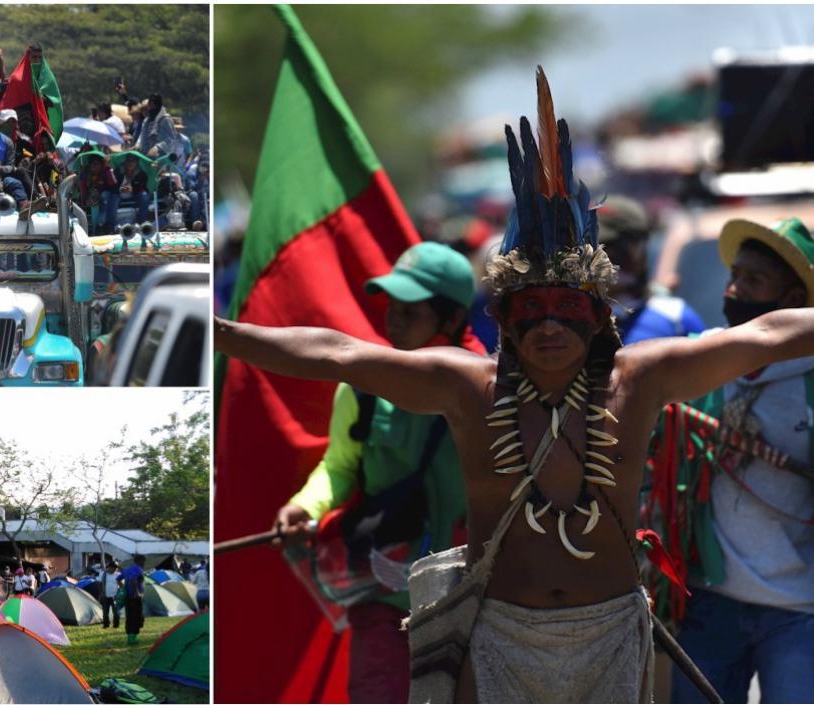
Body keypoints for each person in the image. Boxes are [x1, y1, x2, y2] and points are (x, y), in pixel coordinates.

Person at [214, 68, 814, 703]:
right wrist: (224, 331)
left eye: (567, 308)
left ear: (599, 315)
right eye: (531, 308)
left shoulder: (639, 379)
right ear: (500, 315)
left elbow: (770, 335)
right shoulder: (467, 387)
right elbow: (338, 352)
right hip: (497, 634)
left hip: (610, 633)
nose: (549, 325)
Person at [274, 241, 480, 702]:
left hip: (475, 599)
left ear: (451, 319)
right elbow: (341, 465)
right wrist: (305, 505)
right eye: (392, 307)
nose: (393, 320)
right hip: (384, 596)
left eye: (411, 311)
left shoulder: (493, 388)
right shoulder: (362, 387)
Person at [656, 217, 814, 704]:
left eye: (754, 280)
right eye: (735, 276)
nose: (735, 289)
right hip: (710, 601)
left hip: (799, 608)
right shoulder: (703, 367)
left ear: (791, 302)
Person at [596, 196, 705, 344]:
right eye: (591, 248)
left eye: (613, 250)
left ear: (640, 251)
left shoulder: (676, 317)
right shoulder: (570, 317)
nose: (601, 260)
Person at [133, 93, 181, 161]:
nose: (149, 109)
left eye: (150, 105)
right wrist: (137, 145)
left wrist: (157, 147)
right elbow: (142, 135)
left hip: (160, 158)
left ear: (153, 104)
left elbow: (171, 139)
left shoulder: (165, 119)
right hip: (144, 156)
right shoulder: (147, 120)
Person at [114, 155, 151, 226]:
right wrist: (120, 189)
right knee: (112, 198)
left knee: (145, 196)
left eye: (133, 161)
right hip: (119, 195)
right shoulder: (118, 171)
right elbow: (112, 185)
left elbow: (142, 187)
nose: (130, 163)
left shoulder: (141, 174)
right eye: (128, 161)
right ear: (125, 161)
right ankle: (111, 226)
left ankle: (141, 224)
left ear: (137, 163)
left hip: (134, 195)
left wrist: (133, 189)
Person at [121, 555, 147, 645]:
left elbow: (118, 579)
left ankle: (130, 637)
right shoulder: (138, 569)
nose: (144, 563)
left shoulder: (126, 569)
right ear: (140, 561)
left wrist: (123, 589)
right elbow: (133, 580)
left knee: (129, 617)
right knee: (137, 617)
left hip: (127, 597)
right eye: (144, 561)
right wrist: (137, 592)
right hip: (135, 598)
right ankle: (133, 639)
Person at [99, 560, 121, 629]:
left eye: (116, 567)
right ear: (109, 567)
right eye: (113, 567)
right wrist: (102, 593)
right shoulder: (103, 574)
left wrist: (120, 582)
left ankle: (116, 625)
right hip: (105, 596)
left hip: (115, 596)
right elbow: (99, 584)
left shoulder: (118, 575)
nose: (115, 569)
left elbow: (122, 585)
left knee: (116, 613)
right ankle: (106, 625)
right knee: (105, 613)